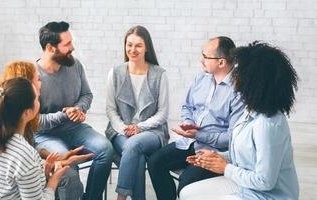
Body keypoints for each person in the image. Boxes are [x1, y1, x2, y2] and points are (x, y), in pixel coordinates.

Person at [182, 41, 299, 200]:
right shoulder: (250, 110)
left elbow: (265, 181)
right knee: (187, 193)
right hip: (247, 185)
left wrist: (225, 168)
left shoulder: (267, 124)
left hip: (269, 195)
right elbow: (247, 154)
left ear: (254, 81)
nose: (234, 73)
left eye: (239, 70)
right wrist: (217, 157)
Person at [147, 36, 245, 200]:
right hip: (189, 143)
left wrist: (198, 135)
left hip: (214, 153)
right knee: (155, 162)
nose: (202, 60)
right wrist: (188, 123)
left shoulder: (238, 91)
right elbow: (187, 106)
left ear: (221, 62)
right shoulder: (201, 78)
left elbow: (231, 138)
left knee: (187, 183)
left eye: (206, 57)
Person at [0, 77, 90, 200]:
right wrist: (53, 181)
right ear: (27, 113)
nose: (39, 99)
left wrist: (43, 173)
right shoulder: (25, 155)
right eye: (36, 98)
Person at [34, 21, 114, 200]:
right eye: (67, 44)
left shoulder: (75, 65)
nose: (73, 48)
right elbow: (33, 120)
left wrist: (78, 109)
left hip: (75, 129)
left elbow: (87, 94)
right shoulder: (33, 76)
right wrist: (63, 115)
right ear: (50, 47)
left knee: (105, 149)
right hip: (45, 135)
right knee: (68, 167)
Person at [0, 60, 88, 200]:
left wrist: (57, 159)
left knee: (68, 172)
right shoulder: (23, 154)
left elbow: (31, 147)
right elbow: (28, 163)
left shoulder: (11, 127)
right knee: (69, 175)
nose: (42, 84)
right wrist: (52, 178)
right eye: (39, 79)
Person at [105, 25, 169, 200]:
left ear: (147, 47)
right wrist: (124, 128)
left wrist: (139, 128)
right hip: (121, 131)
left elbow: (162, 113)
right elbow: (110, 109)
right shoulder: (115, 73)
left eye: (138, 45)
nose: (132, 50)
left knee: (133, 145)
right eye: (129, 44)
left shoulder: (160, 74)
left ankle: (121, 197)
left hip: (152, 131)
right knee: (136, 155)